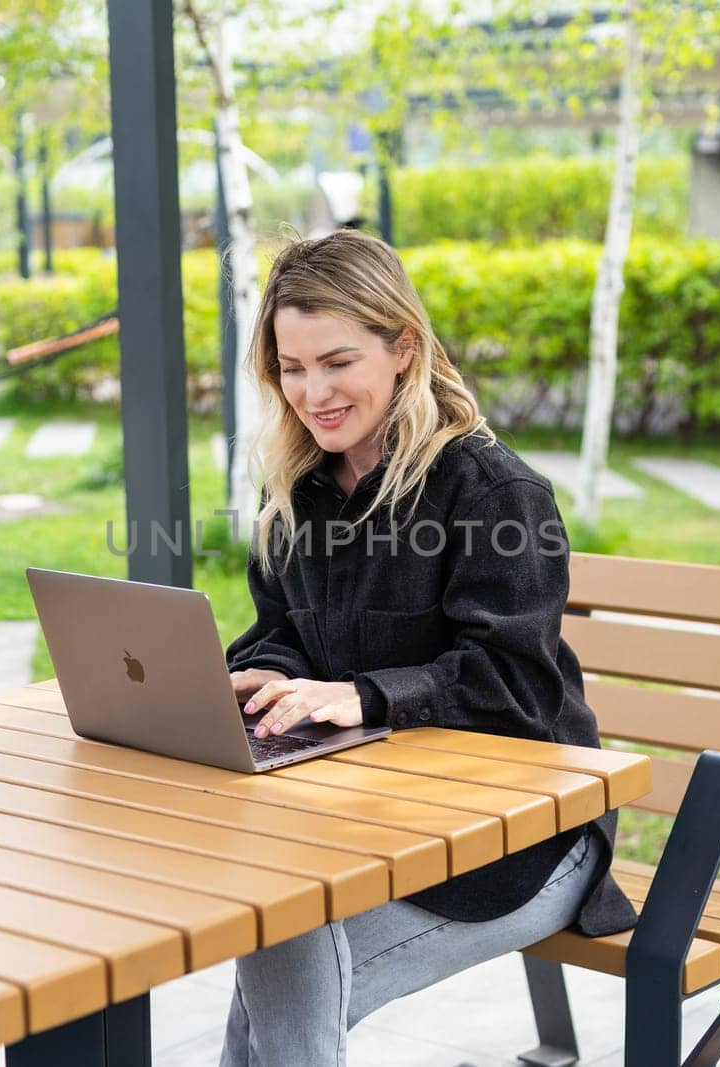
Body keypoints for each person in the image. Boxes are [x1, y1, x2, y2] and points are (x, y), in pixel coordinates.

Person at [221, 229, 635, 1066]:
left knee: (283, 937)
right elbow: (291, 633)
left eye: (337, 361)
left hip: (520, 840)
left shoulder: (493, 493)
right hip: (376, 821)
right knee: (276, 927)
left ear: (403, 346)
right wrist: (275, 674)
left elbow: (513, 683)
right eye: (290, 368)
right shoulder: (302, 492)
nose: (313, 391)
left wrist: (367, 695)